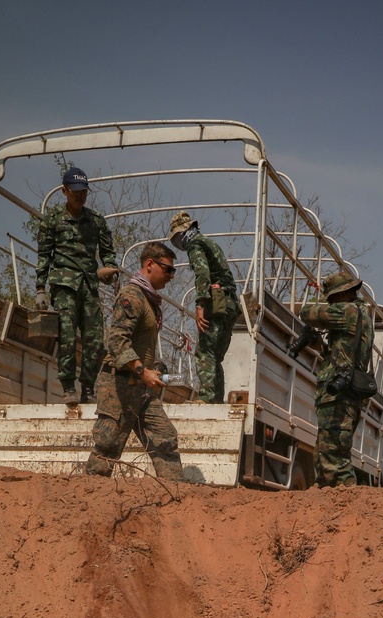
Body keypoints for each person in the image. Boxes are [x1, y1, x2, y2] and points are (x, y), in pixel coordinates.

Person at [84, 242, 185, 481]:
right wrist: (142, 370)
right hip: (119, 385)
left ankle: (177, 499)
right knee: (107, 448)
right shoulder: (132, 295)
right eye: (168, 269)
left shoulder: (150, 300)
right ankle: (87, 503)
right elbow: (117, 341)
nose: (171, 276)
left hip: (141, 387)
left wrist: (153, 370)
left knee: (165, 439)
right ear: (149, 265)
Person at [34, 166, 119, 407]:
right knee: (68, 337)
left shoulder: (96, 222)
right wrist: (40, 289)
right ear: (65, 191)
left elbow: (108, 253)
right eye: (76, 192)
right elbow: (44, 256)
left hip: (89, 286)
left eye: (84, 192)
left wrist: (109, 269)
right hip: (64, 286)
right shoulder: (52, 221)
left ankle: (89, 388)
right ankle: (69, 386)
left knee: (94, 340)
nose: (80, 196)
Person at [295, 269, 375, 487]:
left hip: (339, 396)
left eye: (331, 300)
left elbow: (306, 313)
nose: (330, 304)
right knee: (325, 454)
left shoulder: (347, 312)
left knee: (335, 460)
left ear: (340, 295)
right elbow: (341, 355)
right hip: (345, 392)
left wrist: (315, 301)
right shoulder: (360, 315)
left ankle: (348, 508)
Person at [169, 211, 240, 403]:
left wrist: (200, 304)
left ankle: (207, 398)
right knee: (215, 355)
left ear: (182, 232)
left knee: (205, 350)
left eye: (175, 238)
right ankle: (215, 399)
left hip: (216, 300)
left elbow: (202, 273)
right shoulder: (208, 242)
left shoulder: (195, 244)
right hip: (230, 302)